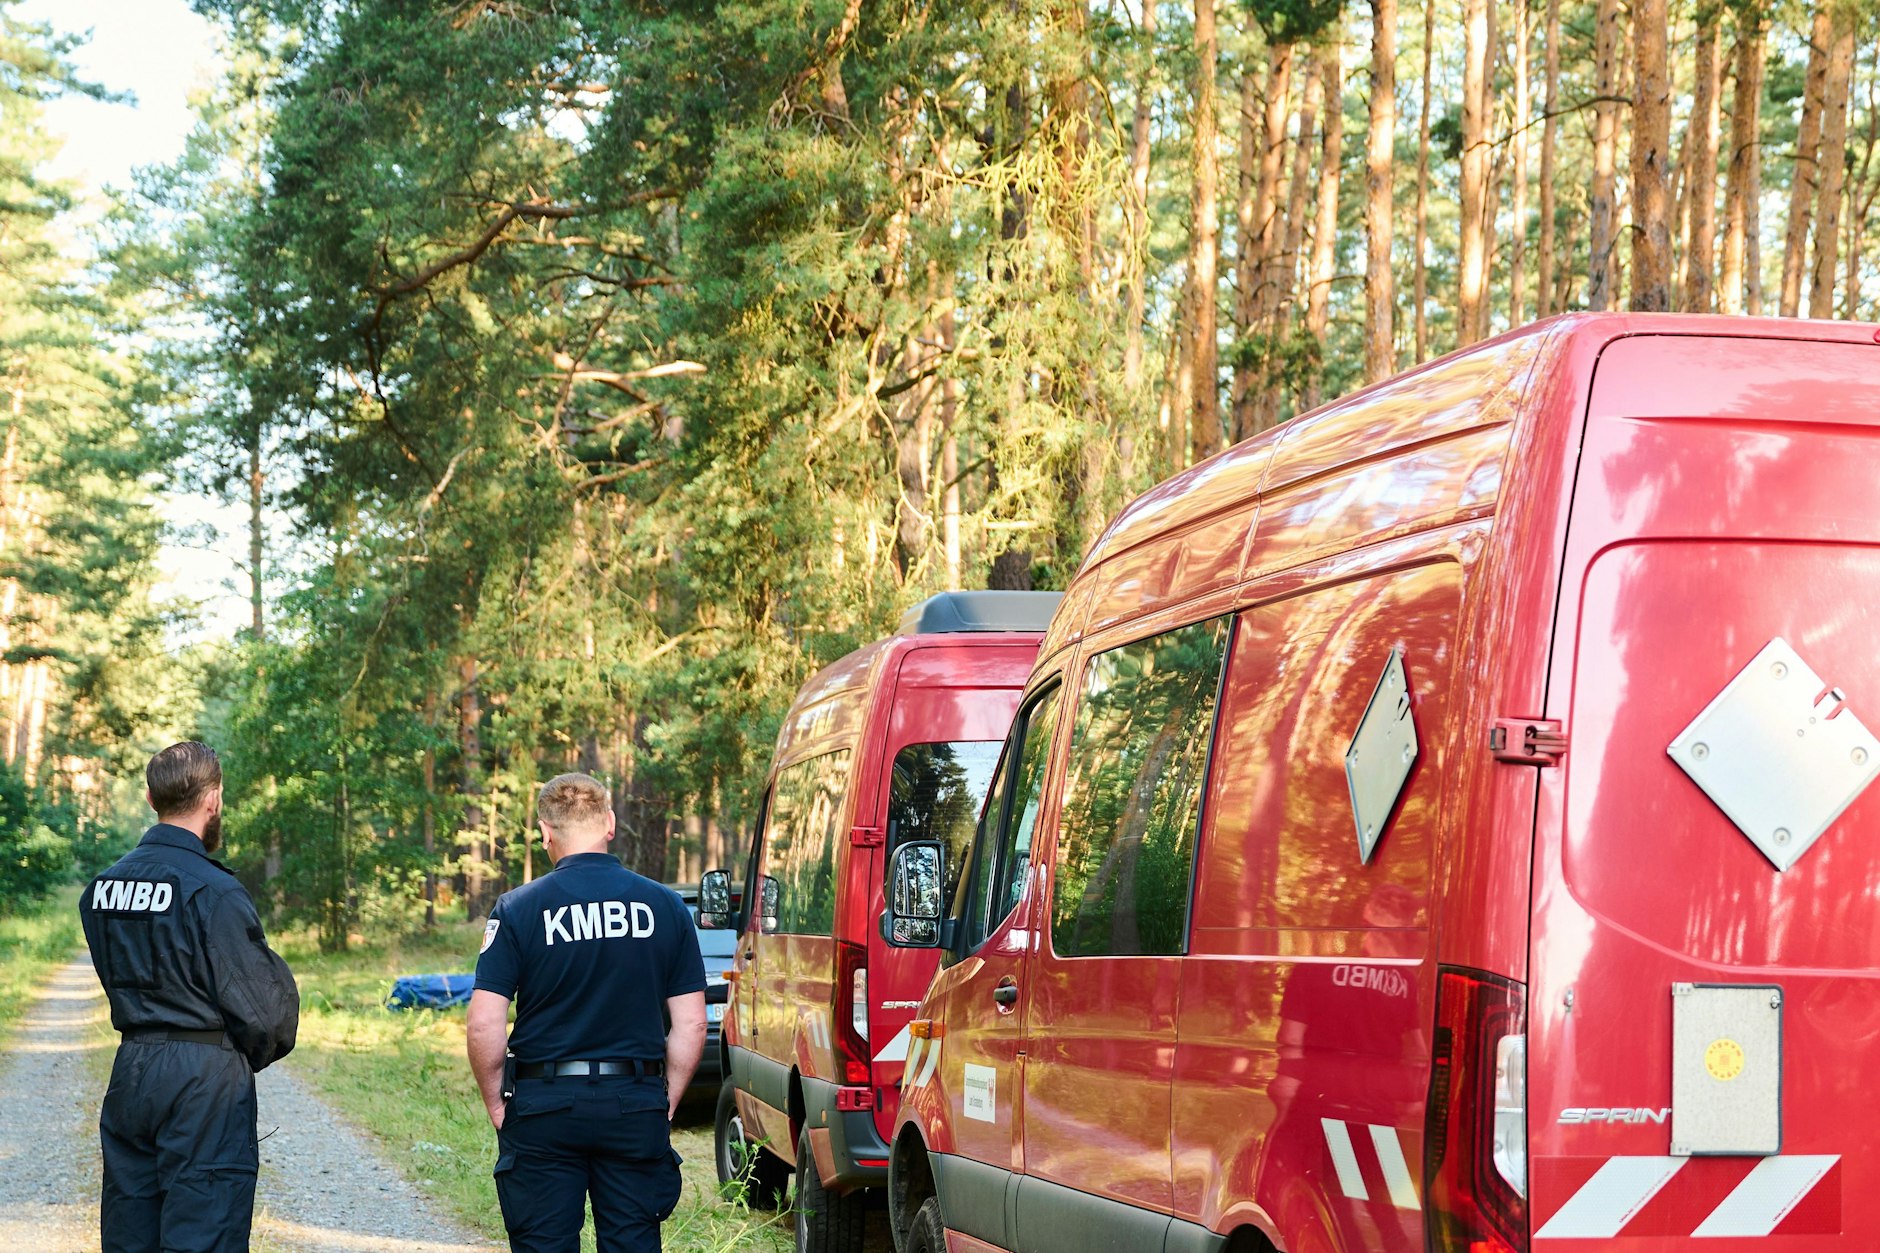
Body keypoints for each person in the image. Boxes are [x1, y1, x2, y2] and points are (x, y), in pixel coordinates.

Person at [467, 772, 707, 1252]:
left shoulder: (518, 908)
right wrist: (667, 1100)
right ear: (610, 823)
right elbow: (693, 1022)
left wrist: (497, 1101)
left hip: (544, 1104)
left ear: (545, 833)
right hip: (634, 1101)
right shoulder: (665, 906)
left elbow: (484, 1020)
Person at [79, 741, 300, 1253]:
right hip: (203, 1078)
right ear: (214, 800)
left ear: (152, 799)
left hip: (133, 1070)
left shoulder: (102, 888)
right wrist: (229, 1059)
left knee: (131, 1229)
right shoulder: (213, 889)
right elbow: (268, 1016)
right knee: (206, 1231)